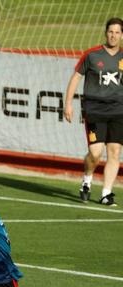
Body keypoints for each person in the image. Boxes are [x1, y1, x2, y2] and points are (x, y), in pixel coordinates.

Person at [64, 17, 123, 206]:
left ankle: (106, 193)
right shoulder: (92, 55)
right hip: (95, 110)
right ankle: (87, 179)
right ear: (105, 33)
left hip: (118, 111)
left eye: (117, 32)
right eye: (110, 32)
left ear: (122, 35)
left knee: (114, 152)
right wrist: (68, 104)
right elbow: (75, 78)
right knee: (96, 154)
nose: (113, 35)